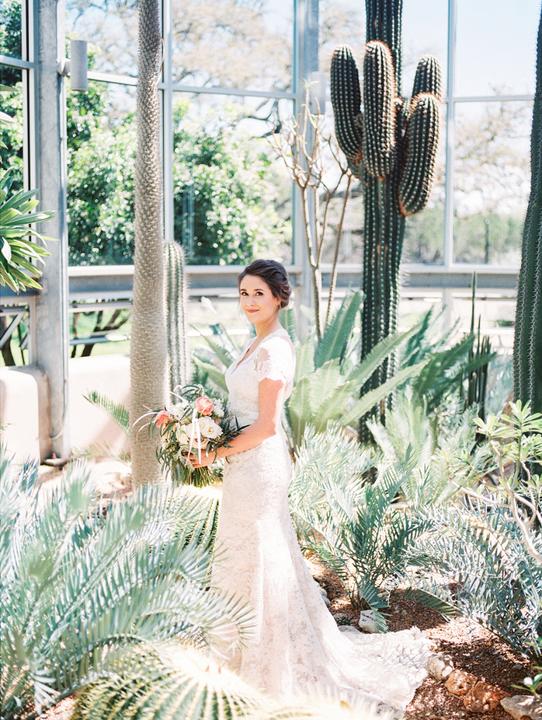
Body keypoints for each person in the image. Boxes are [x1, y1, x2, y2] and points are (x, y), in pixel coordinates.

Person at [189, 259, 432, 715]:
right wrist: (207, 429)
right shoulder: (254, 342)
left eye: (258, 293)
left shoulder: (275, 350)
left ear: (278, 297)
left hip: (258, 464)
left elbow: (265, 425)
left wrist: (213, 453)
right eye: (243, 293)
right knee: (243, 550)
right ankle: (238, 643)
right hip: (242, 463)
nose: (249, 301)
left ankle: (268, 657)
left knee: (260, 550)